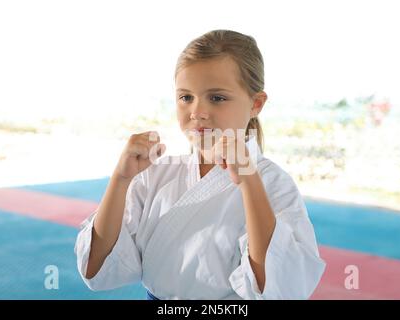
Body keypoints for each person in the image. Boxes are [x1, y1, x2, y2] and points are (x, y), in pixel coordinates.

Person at [75, 29, 326, 299]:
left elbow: (278, 288)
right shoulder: (157, 173)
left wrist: (250, 182)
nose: (197, 112)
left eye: (217, 98)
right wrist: (120, 180)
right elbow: (96, 269)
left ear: (256, 103)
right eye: (186, 97)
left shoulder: (273, 184)